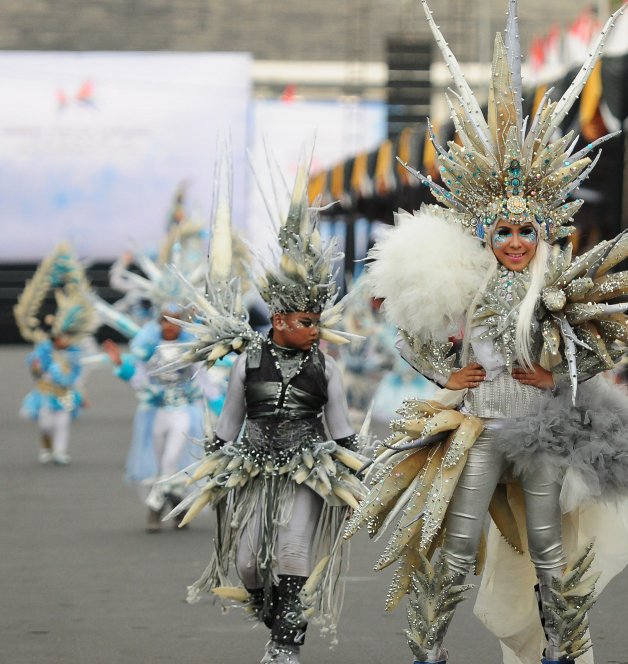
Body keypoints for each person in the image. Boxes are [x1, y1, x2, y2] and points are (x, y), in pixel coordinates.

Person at [347, 3, 628, 663]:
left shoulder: (561, 288)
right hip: (481, 426)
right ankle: (427, 648)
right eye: (504, 231)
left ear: (543, 231)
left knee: (548, 545)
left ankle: (560, 649)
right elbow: (416, 333)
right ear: (486, 234)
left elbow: (601, 349)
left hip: (541, 430)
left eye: (526, 230)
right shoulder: (464, 283)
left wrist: (559, 379)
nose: (515, 241)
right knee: (456, 541)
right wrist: (445, 376)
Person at [160, 150, 369, 663]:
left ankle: (286, 643)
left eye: (318, 321)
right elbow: (229, 422)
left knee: (293, 550)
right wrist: (213, 466)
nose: (315, 330)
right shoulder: (247, 361)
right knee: (251, 563)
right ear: (278, 320)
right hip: (250, 468)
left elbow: (341, 429)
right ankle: (272, 612)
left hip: (308, 469)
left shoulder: (327, 368)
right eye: (305, 322)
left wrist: (359, 472)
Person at [102, 305, 210, 532]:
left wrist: (221, 404)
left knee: (171, 461)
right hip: (156, 413)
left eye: (175, 321)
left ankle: (154, 508)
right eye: (166, 321)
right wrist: (120, 365)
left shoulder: (192, 348)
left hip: (183, 412)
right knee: (161, 464)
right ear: (159, 323)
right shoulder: (148, 348)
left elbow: (204, 382)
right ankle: (178, 506)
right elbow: (139, 380)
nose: (170, 326)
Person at [14, 243, 98, 466]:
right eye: (61, 335)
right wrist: (37, 368)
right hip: (45, 393)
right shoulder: (44, 348)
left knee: (62, 423)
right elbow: (34, 367)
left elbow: (80, 372)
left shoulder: (75, 353)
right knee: (45, 424)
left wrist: (79, 390)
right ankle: (46, 447)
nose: (64, 339)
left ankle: (60, 451)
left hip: (66, 393)